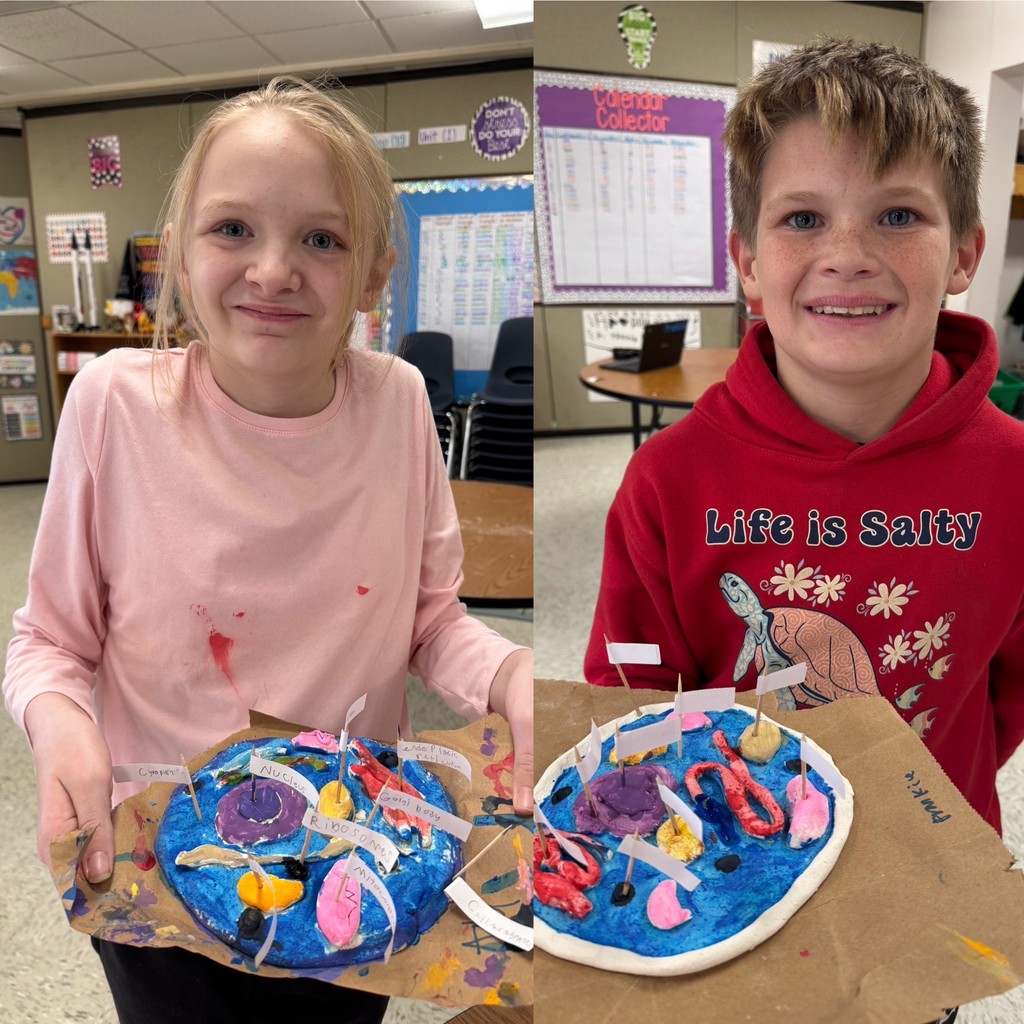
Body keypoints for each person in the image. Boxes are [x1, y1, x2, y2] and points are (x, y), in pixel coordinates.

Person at [4, 75, 533, 1023]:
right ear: (182, 252)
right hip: (160, 852)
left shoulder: (401, 403)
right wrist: (62, 728)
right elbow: (47, 642)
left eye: (322, 239)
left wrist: (506, 676)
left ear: (375, 274)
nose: (275, 269)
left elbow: (428, 620)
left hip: (353, 853)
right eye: (233, 229)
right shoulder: (115, 407)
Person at [586, 37, 1024, 849]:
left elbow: (1009, 692)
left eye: (898, 215)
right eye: (803, 218)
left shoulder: (1017, 473)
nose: (848, 256)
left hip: (929, 847)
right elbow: (629, 680)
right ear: (747, 262)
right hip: (729, 847)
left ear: (964, 252)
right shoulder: (667, 478)